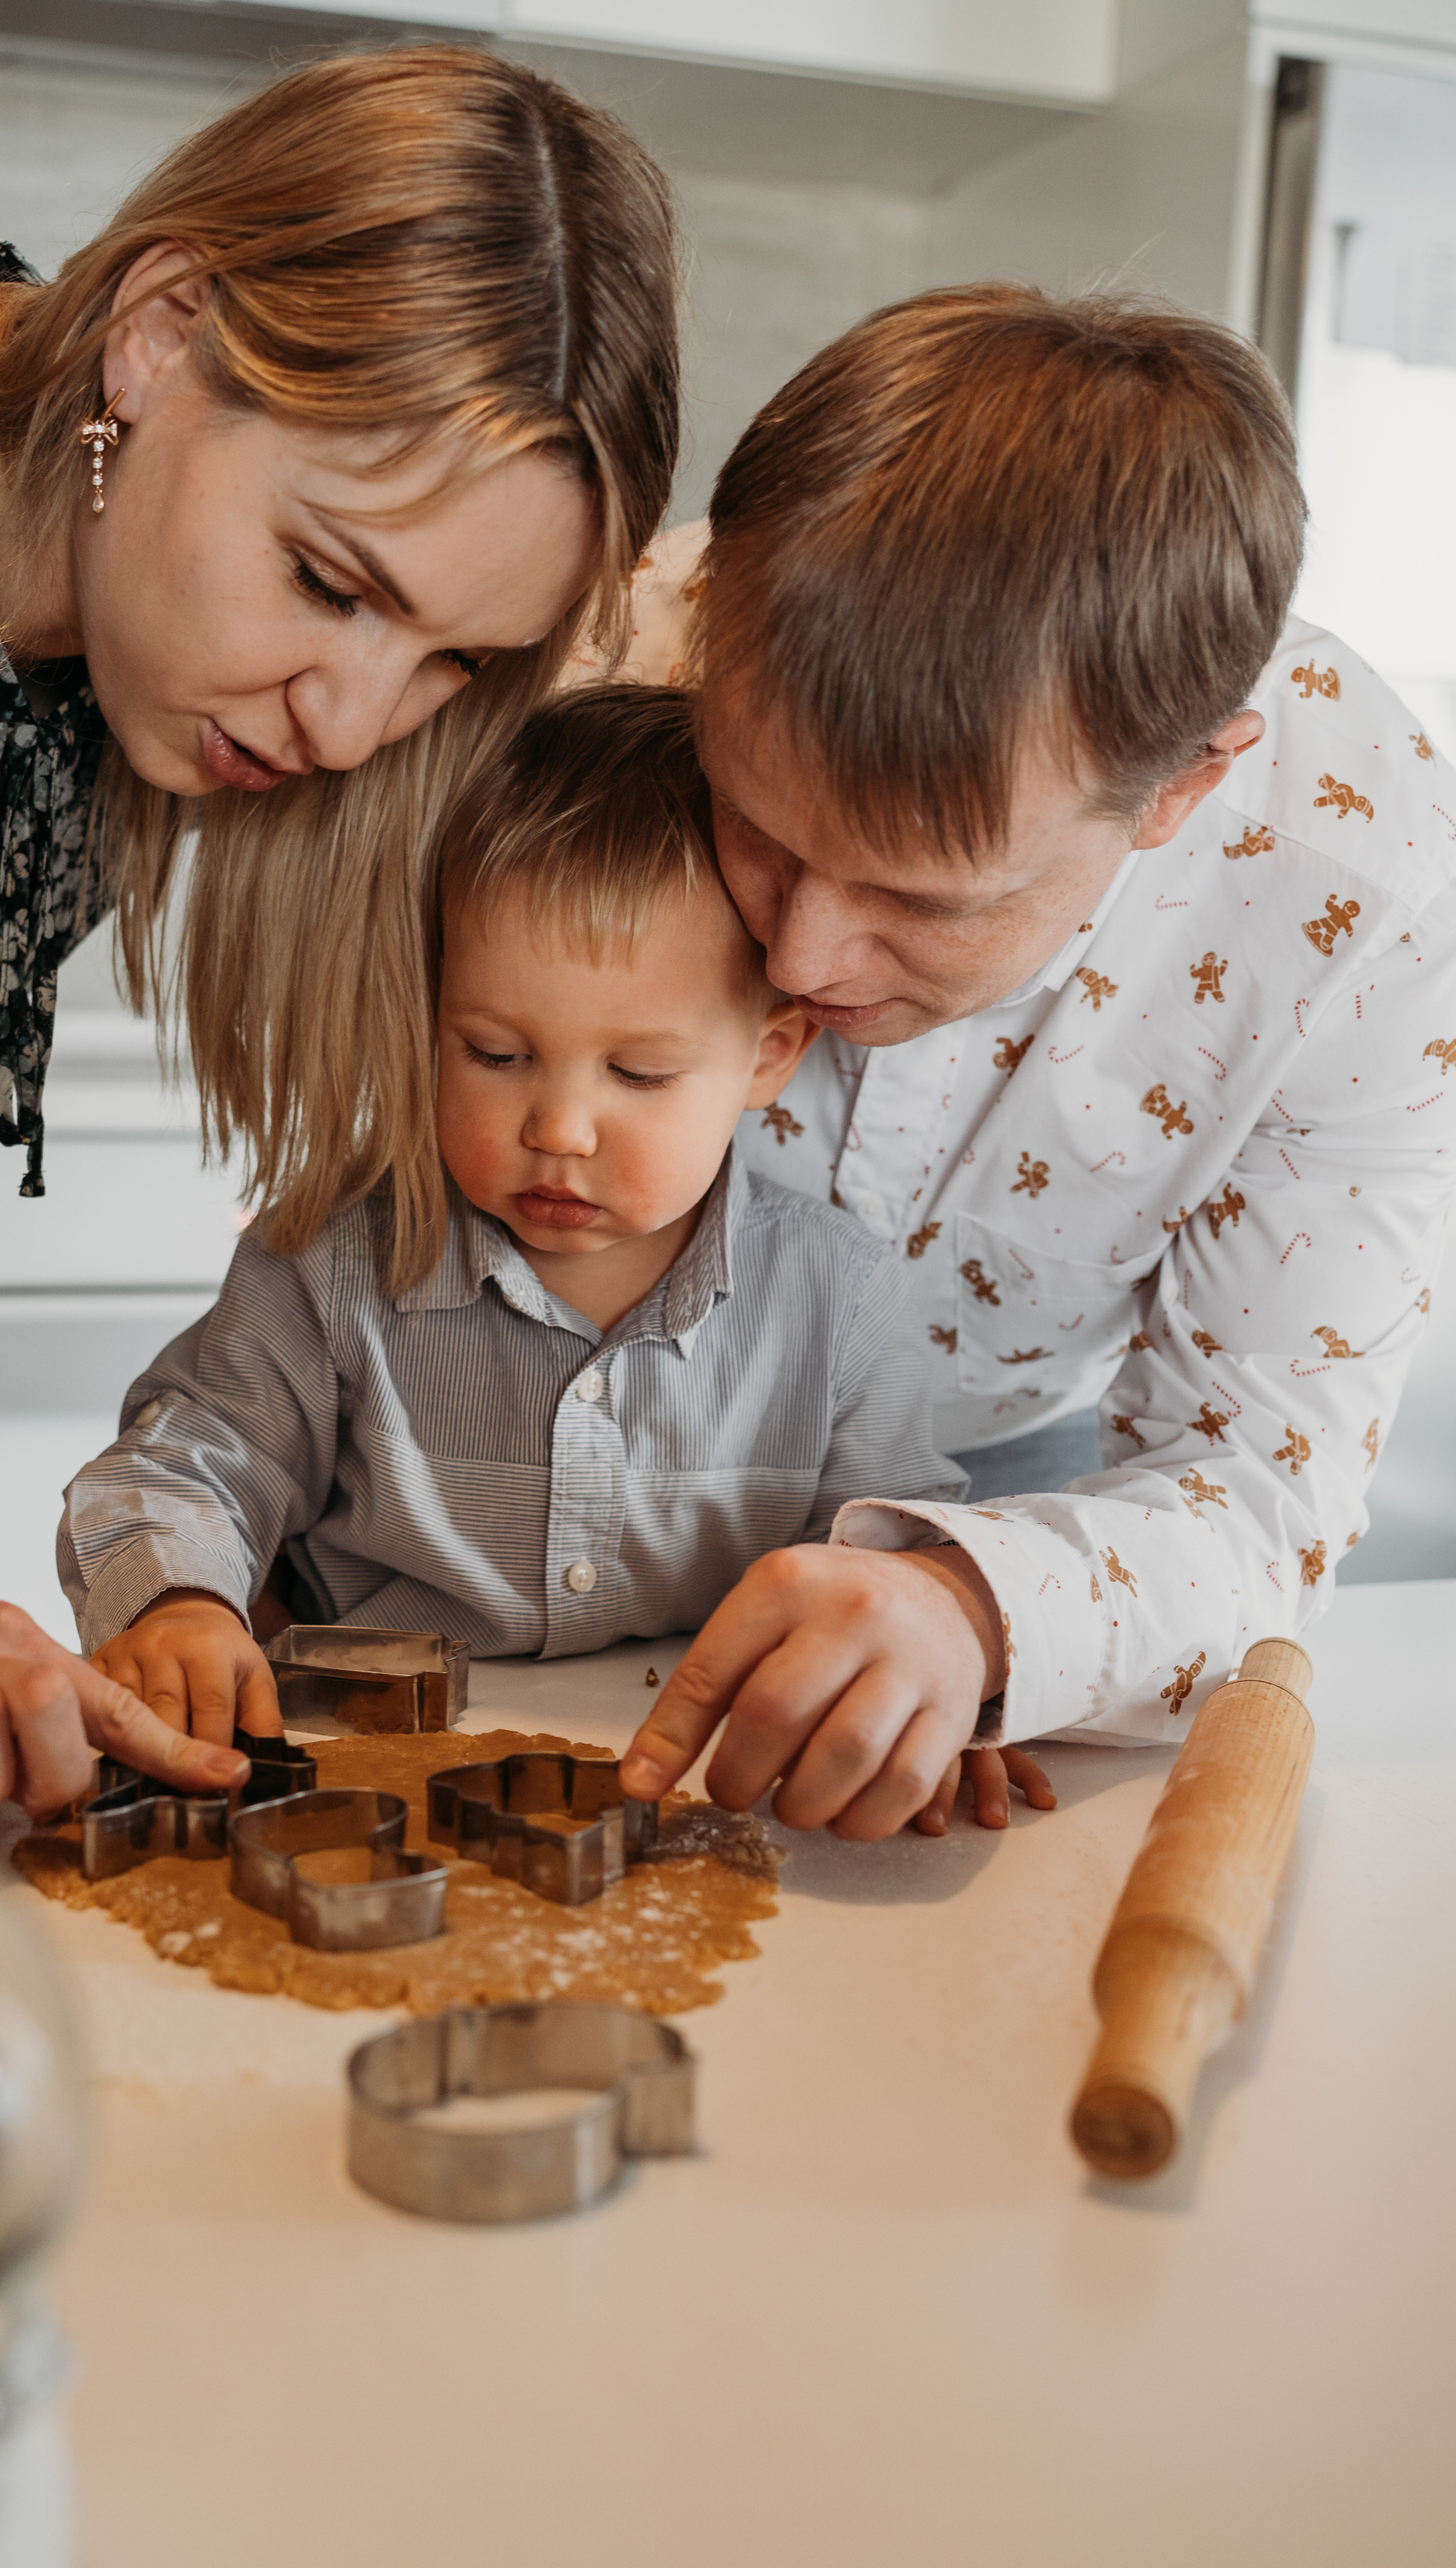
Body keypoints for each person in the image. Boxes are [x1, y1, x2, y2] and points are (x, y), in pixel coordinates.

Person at [0, 48, 681, 1810]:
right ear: (156, 335)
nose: (349, 724)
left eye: (447, 661)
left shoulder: (122, 673)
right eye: (328, 578)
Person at [599, 285, 1456, 1840]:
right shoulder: (599, 656)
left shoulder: (1364, 876)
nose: (791, 966)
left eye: (923, 898)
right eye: (757, 828)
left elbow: (1261, 1478)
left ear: (1177, 792)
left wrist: (976, 1612)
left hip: (994, 1503)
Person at [57, 689, 1056, 1835]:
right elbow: (178, 1466)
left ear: (769, 1055)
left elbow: (898, 1568)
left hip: (695, 1793)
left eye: (638, 1075)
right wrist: (183, 1603)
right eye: (495, 1053)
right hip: (356, 1784)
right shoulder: (326, 1265)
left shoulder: (844, 1302)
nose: (561, 1129)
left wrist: (923, 1694)